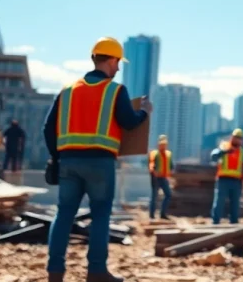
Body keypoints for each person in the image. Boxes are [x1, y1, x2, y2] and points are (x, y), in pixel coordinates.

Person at [44, 37, 151, 282]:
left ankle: (55, 273)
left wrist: (55, 158)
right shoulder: (115, 90)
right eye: (118, 63)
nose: (118, 68)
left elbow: (48, 128)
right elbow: (129, 122)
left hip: (69, 162)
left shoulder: (68, 90)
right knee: (101, 215)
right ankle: (96, 272)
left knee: (63, 216)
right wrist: (144, 111)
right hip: (100, 164)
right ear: (111, 60)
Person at [210, 129, 243, 224]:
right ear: (232, 137)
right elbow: (213, 156)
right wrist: (224, 152)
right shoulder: (224, 146)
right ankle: (215, 222)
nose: (237, 140)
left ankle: (234, 223)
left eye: (239, 138)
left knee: (235, 203)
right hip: (223, 180)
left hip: (236, 181)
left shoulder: (242, 152)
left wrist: (242, 181)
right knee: (219, 202)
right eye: (236, 137)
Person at [148, 135, 173, 220]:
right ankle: (151, 215)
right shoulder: (154, 153)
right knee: (154, 196)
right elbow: (151, 164)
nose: (163, 146)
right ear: (158, 144)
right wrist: (154, 172)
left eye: (165, 144)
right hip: (156, 178)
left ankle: (163, 214)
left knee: (168, 194)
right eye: (162, 144)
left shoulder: (168, 154)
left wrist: (170, 175)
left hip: (164, 178)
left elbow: (171, 166)